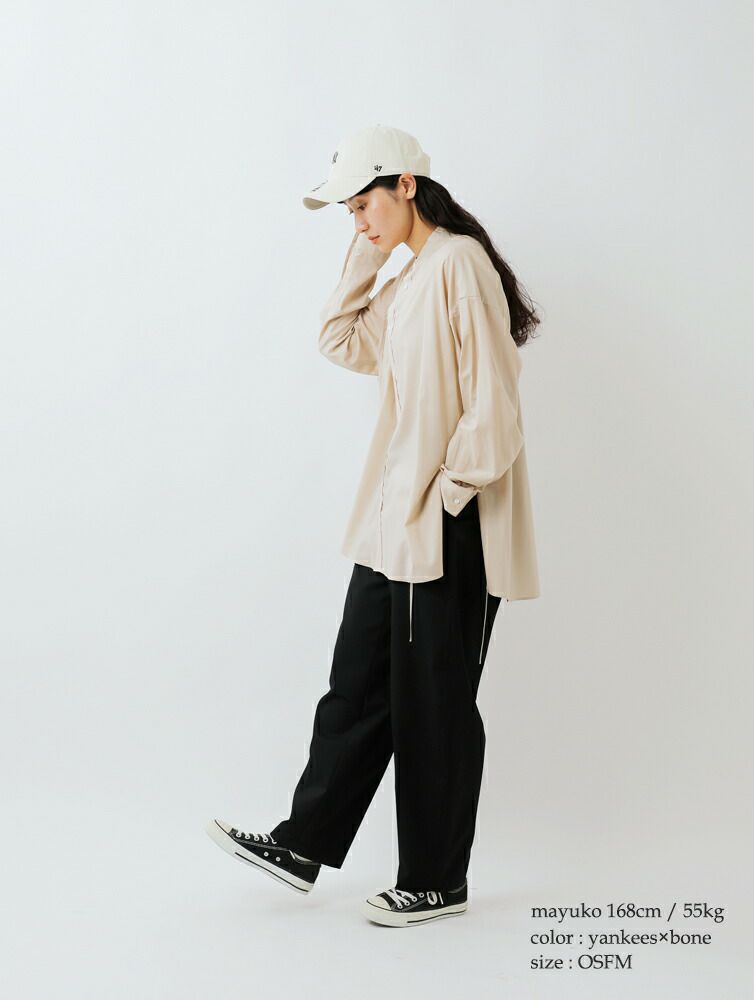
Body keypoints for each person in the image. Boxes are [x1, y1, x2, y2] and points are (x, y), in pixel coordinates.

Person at [207, 124, 542, 928]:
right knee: (357, 687)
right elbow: (339, 340)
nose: (358, 220)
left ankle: (435, 881)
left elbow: (496, 409)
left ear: (407, 186)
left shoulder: (459, 265)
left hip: (449, 525)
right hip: (394, 525)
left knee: (435, 705)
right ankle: (303, 844)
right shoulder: (411, 275)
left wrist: (450, 495)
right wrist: (366, 256)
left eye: (365, 204)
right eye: (349, 212)